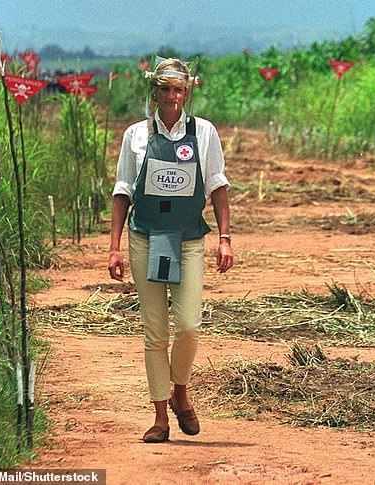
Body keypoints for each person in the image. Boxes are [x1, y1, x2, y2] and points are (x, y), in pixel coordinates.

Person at [108, 58, 233, 443]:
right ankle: (160, 416)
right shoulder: (136, 136)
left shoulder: (205, 132)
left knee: (190, 325)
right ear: (154, 92)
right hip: (146, 237)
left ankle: (181, 390)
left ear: (187, 92)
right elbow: (123, 190)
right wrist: (113, 247)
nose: (171, 96)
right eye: (164, 89)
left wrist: (225, 237)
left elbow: (217, 185)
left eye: (178, 90)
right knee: (155, 331)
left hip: (189, 238)